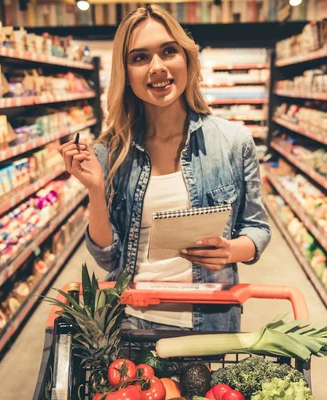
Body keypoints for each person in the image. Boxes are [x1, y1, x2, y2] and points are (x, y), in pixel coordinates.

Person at [60, 4, 270, 332]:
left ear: (187, 59)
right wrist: (95, 190)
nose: (157, 67)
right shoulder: (110, 151)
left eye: (168, 51)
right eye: (140, 57)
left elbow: (258, 229)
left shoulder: (233, 141)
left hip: (210, 323)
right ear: (126, 74)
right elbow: (107, 259)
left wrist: (230, 251)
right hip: (131, 324)